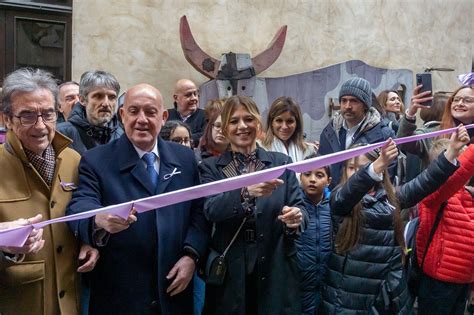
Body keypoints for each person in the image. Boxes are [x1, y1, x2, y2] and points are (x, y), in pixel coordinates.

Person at [66, 83, 210, 315]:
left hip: (173, 290)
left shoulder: (184, 159)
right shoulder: (96, 160)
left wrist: (191, 255)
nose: (141, 119)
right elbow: (80, 204)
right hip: (120, 295)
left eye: (150, 112)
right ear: (122, 115)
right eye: (133, 111)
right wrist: (97, 220)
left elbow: (199, 211)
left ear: (163, 117)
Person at [321, 133, 463, 314]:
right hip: (348, 295)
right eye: (351, 168)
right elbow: (348, 194)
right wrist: (375, 167)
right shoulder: (339, 197)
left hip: (383, 292)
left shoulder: (389, 198)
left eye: (364, 167)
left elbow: (423, 183)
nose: (357, 173)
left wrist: (451, 152)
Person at [0, 68, 98, 315]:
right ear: (6, 119)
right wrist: (4, 248)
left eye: (48, 114)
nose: (40, 125)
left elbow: (82, 214)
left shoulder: (74, 160)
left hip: (71, 303)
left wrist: (89, 242)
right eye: (27, 116)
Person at [199, 95, 307, 314]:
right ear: (225, 128)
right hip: (232, 269)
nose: (242, 126)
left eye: (248, 119)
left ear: (258, 123)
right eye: (234, 121)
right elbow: (211, 209)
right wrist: (245, 192)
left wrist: (296, 217)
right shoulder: (211, 168)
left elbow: (300, 207)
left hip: (275, 265)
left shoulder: (279, 163)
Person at [416, 129, 474, 315]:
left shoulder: (470, 195)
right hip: (437, 282)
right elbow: (450, 181)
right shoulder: (435, 195)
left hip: (464, 282)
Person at [318, 77, 395, 188]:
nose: (347, 106)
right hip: (333, 200)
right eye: (344, 100)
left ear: (365, 105)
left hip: (367, 200)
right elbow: (322, 168)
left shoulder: (384, 135)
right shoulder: (329, 132)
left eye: (354, 101)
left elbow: (388, 175)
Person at [57, 70, 123, 155]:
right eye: (98, 96)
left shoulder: (123, 135)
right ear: (82, 100)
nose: (106, 103)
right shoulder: (61, 134)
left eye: (112, 97)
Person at [296, 160, 332, 315]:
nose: (312, 179)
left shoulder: (333, 206)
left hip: (327, 284)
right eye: (307, 174)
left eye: (319, 175)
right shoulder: (293, 207)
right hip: (299, 285)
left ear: (329, 181)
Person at [261, 96, 316, 162]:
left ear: (297, 123)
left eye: (290, 121)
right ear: (271, 122)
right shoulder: (261, 150)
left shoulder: (308, 150)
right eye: (279, 120)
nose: (284, 126)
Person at [168, 79, 206, 147]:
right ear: (176, 98)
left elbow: (206, 136)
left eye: (195, 94)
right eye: (188, 95)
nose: (194, 98)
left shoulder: (206, 116)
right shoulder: (166, 116)